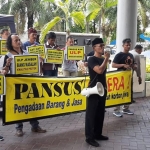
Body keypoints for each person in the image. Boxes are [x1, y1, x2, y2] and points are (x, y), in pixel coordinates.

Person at [2, 34, 46, 137]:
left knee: (32, 106)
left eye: (19, 40)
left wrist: (39, 60)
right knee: (19, 106)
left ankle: (35, 126)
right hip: (16, 87)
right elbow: (4, 72)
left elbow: (36, 69)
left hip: (29, 85)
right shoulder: (8, 56)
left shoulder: (26, 53)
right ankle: (19, 128)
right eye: (16, 40)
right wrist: (7, 64)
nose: (18, 42)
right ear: (11, 43)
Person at [85, 38, 109, 147]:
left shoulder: (103, 59)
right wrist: (106, 60)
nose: (102, 47)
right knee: (91, 114)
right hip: (93, 89)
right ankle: (89, 137)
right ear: (94, 47)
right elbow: (99, 70)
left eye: (103, 45)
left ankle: (98, 134)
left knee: (100, 113)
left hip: (102, 89)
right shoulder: (92, 59)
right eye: (100, 45)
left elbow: (103, 74)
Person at [112, 38, 136, 117]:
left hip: (128, 77)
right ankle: (116, 110)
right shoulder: (119, 55)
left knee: (128, 92)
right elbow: (113, 65)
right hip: (120, 77)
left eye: (129, 45)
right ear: (123, 46)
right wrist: (123, 65)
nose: (128, 46)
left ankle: (126, 108)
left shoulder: (131, 55)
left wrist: (134, 66)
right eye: (127, 45)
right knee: (119, 92)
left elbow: (134, 64)